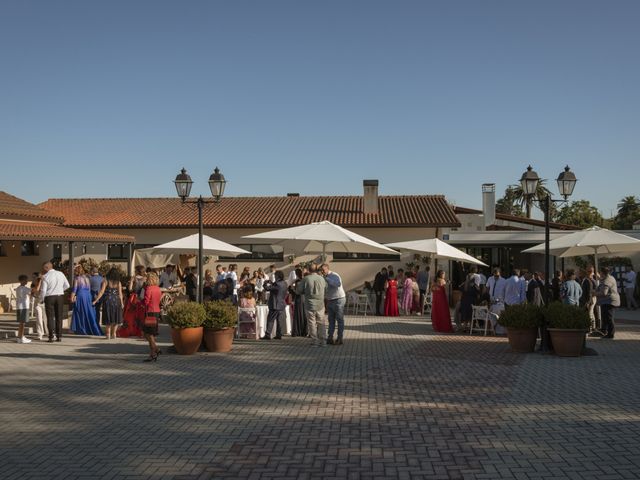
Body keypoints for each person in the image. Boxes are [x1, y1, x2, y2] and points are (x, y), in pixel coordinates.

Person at [296, 263, 327, 347]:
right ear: (316, 269)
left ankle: (315, 341)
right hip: (320, 304)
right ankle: (323, 341)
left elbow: (298, 291)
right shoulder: (322, 278)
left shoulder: (306, 279)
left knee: (312, 323)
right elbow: (326, 289)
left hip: (309, 304)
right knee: (321, 323)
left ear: (309, 270)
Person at [40, 262, 70, 343]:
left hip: (49, 297)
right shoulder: (60, 273)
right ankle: (59, 336)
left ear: (46, 268)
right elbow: (67, 285)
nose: (43, 270)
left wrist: (41, 299)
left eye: (43, 268)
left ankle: (50, 337)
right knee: (59, 317)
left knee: (50, 317)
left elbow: (43, 290)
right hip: (60, 296)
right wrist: (60, 290)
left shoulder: (46, 276)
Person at [70, 264, 103, 336]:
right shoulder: (88, 278)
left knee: (80, 312)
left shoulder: (77, 278)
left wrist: (72, 297)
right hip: (88, 296)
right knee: (88, 312)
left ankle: (82, 328)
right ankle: (90, 328)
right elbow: (89, 288)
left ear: (76, 271)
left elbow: (74, 289)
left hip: (81, 295)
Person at [94, 268, 124, 340]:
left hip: (108, 300)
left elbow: (101, 292)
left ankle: (108, 334)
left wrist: (95, 300)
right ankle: (114, 333)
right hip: (117, 300)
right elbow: (120, 293)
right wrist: (122, 303)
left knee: (108, 317)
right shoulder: (118, 282)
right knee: (116, 317)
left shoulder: (106, 281)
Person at [322, 264, 346, 345]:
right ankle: (330, 338)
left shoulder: (334, 275)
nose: (322, 272)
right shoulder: (323, 278)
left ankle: (340, 338)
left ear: (327, 269)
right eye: (321, 270)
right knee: (331, 320)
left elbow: (337, 284)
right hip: (330, 300)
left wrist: (327, 279)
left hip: (339, 299)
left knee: (339, 320)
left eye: (323, 270)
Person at [119, 265, 145, 338]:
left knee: (130, 315)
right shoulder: (145, 279)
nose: (134, 271)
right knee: (139, 315)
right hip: (141, 298)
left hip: (133, 297)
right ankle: (139, 331)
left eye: (135, 270)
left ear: (137, 271)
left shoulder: (133, 278)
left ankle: (130, 330)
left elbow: (130, 289)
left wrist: (130, 284)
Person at [262, 270, 288, 340]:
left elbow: (267, 288)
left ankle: (268, 334)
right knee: (279, 320)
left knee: (270, 320)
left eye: (275, 275)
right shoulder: (285, 283)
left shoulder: (277, 284)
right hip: (281, 304)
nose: (274, 276)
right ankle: (279, 334)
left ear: (277, 276)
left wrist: (265, 283)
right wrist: (272, 283)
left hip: (275, 304)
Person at [142, 272, 162, 362]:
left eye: (147, 279)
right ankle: (154, 352)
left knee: (148, 334)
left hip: (150, 312)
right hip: (157, 311)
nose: (145, 280)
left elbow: (146, 302)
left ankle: (154, 352)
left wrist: (140, 301)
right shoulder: (158, 288)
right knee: (150, 334)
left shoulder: (149, 288)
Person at [596, 266, 620, 339]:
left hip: (610, 301)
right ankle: (604, 330)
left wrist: (594, 293)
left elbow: (604, 293)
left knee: (609, 317)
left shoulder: (607, 280)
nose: (599, 274)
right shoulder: (609, 278)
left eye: (600, 272)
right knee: (605, 316)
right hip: (606, 301)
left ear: (602, 273)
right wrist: (599, 279)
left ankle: (611, 334)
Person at [486, 267, 507, 335]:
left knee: (497, 314)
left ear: (500, 274)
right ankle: (489, 330)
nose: (496, 277)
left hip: (499, 301)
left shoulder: (504, 281)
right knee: (489, 315)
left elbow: (505, 291)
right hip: (491, 300)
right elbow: (487, 288)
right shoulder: (490, 279)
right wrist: (487, 298)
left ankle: (495, 329)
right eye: (495, 275)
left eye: (497, 276)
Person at [290, 268, 307, 337]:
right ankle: (304, 331)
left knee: (298, 314)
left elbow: (292, 288)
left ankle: (297, 331)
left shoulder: (297, 281)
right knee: (303, 314)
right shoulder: (304, 280)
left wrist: (293, 289)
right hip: (304, 298)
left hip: (299, 298)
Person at [30, 270, 48, 340]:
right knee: (39, 319)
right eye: (33, 277)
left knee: (46, 318)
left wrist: (40, 281)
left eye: (34, 277)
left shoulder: (44, 283)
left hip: (44, 302)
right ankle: (40, 334)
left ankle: (48, 333)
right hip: (37, 302)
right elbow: (34, 292)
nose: (33, 278)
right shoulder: (32, 284)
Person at [15, 275, 32, 343]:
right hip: (24, 307)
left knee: (21, 323)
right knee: (22, 323)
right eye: (25, 280)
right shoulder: (24, 288)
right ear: (21, 281)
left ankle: (20, 336)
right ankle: (21, 338)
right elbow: (33, 292)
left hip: (19, 307)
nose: (26, 281)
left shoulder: (18, 288)